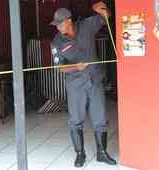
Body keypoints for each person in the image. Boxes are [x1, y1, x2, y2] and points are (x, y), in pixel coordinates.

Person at [50, 1, 117, 168]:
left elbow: (107, 17)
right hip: (75, 85)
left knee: (100, 117)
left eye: (59, 24)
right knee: (76, 120)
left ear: (68, 20)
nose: (57, 27)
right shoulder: (56, 42)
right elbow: (60, 67)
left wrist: (101, 9)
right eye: (56, 24)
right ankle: (80, 154)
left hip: (95, 80)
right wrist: (75, 66)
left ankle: (102, 153)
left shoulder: (87, 26)